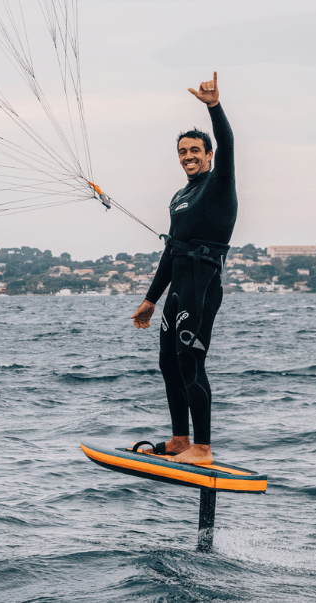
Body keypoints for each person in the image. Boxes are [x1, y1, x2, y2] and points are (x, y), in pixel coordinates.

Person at [130, 72, 237, 465]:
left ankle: (202, 449)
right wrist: (150, 300)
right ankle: (180, 440)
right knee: (168, 362)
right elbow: (171, 250)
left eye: (195, 150)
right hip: (177, 286)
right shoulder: (180, 196)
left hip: (202, 283)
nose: (188, 156)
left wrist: (214, 107)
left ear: (208, 155)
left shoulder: (218, 184)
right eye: (182, 152)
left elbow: (228, 142)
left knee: (190, 359)